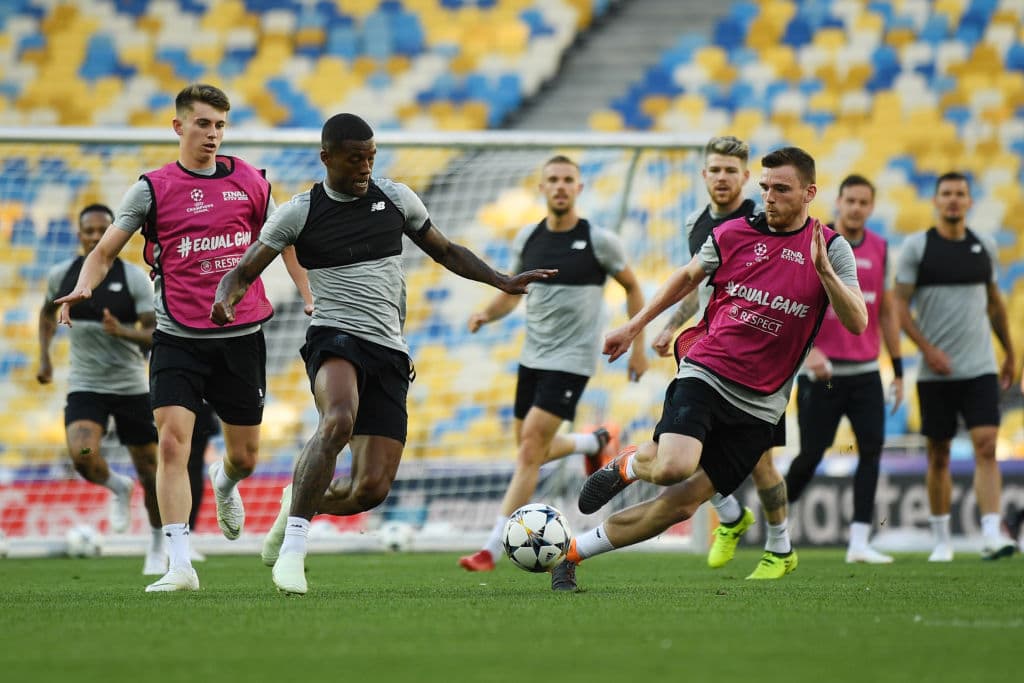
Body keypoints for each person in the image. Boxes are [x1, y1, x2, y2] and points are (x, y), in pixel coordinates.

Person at [211, 113, 555, 595]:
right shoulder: (299, 212)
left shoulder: (395, 198)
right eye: (355, 159)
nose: (365, 167)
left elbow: (446, 250)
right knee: (337, 420)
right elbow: (244, 271)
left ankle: (299, 500)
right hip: (334, 336)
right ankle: (293, 549)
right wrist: (225, 298)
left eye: (371, 157)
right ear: (326, 158)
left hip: (390, 350)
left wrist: (500, 279)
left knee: (369, 490)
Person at [556, 146, 866, 590]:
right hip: (708, 369)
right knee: (672, 468)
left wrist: (826, 275)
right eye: (765, 188)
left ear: (809, 192)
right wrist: (636, 326)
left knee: (680, 506)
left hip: (762, 404)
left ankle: (572, 552)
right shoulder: (733, 233)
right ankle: (632, 466)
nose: (770, 197)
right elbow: (685, 278)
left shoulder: (831, 249)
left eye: (782, 189)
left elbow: (857, 323)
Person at [54, 83, 310, 592]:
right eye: (202, 124)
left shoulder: (252, 183)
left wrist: (308, 293)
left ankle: (225, 482)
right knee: (172, 445)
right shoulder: (151, 189)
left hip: (241, 334)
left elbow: (286, 241)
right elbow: (105, 250)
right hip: (176, 336)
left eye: (219, 125)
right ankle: (179, 563)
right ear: (179, 127)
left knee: (245, 456)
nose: (212, 135)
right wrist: (84, 283)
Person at [457, 155, 648, 581]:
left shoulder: (599, 241)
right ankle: (594, 441)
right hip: (532, 357)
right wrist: (487, 313)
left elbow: (633, 286)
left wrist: (636, 344)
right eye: (553, 180)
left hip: (572, 360)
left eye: (568, 180)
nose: (560, 186)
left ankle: (490, 546)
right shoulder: (529, 236)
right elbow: (513, 291)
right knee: (532, 448)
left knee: (529, 450)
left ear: (578, 189)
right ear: (542, 188)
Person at [650, 136, 794, 580]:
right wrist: (672, 324)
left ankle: (778, 544)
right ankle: (731, 516)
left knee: (761, 461)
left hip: (758, 362)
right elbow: (696, 289)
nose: (722, 177)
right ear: (704, 174)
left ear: (746, 177)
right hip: (709, 354)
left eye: (731, 170)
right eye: (715, 170)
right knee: (688, 441)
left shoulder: (760, 219)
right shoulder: (697, 223)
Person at [776, 174, 904, 564]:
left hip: (866, 373)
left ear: (871, 206)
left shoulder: (881, 249)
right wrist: (808, 351)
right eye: (850, 200)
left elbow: (885, 312)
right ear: (839, 202)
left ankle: (860, 543)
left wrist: (897, 369)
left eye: (864, 202)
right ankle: (774, 525)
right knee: (810, 455)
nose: (856, 208)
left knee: (871, 453)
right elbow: (793, 302)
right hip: (822, 376)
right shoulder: (817, 242)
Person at [894, 171, 1017, 562]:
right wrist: (926, 349)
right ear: (935, 201)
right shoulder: (918, 248)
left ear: (969, 201)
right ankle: (942, 538)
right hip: (936, 372)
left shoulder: (985, 246)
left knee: (986, 445)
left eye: (959, 194)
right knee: (939, 454)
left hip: (979, 366)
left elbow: (995, 303)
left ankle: (991, 534)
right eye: (946, 193)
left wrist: (1010, 352)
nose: (952, 200)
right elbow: (898, 306)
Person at [38, 203, 165, 575]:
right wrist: (44, 357)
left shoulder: (134, 280)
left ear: (115, 233)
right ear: (79, 234)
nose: (95, 236)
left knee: (150, 469)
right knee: (83, 451)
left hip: (130, 387)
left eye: (102, 230)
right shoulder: (62, 276)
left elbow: (155, 333)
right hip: (87, 386)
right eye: (89, 230)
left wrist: (122, 331)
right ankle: (116, 486)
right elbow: (47, 313)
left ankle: (158, 544)